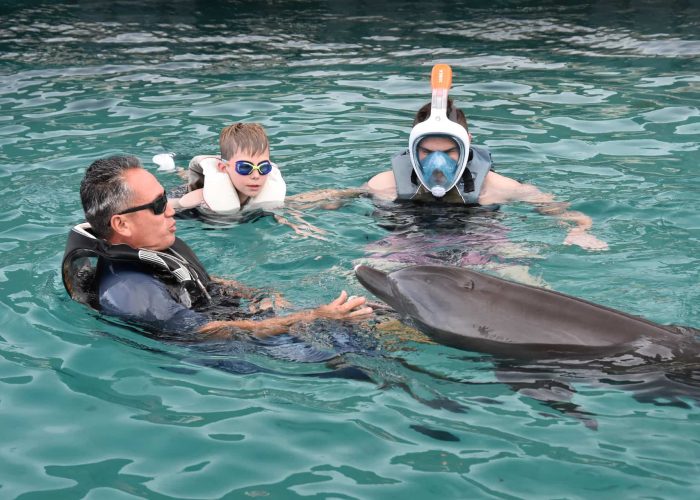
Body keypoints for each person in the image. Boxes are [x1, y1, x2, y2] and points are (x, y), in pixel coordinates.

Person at [290, 64, 608, 251]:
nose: (437, 162)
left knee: (518, 268)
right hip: (407, 241)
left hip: (478, 240)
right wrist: (297, 215)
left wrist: (580, 229)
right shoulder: (385, 184)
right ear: (412, 149)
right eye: (427, 152)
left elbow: (553, 207)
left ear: (467, 145)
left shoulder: (496, 188)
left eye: (450, 151)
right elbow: (336, 198)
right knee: (366, 270)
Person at [62, 155, 373, 339]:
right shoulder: (132, 292)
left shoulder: (149, 250)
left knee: (372, 319)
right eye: (158, 205)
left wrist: (254, 294)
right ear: (122, 224)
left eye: (165, 198)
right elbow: (210, 334)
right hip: (236, 350)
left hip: (243, 318)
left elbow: (196, 284)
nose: (171, 209)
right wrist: (313, 316)